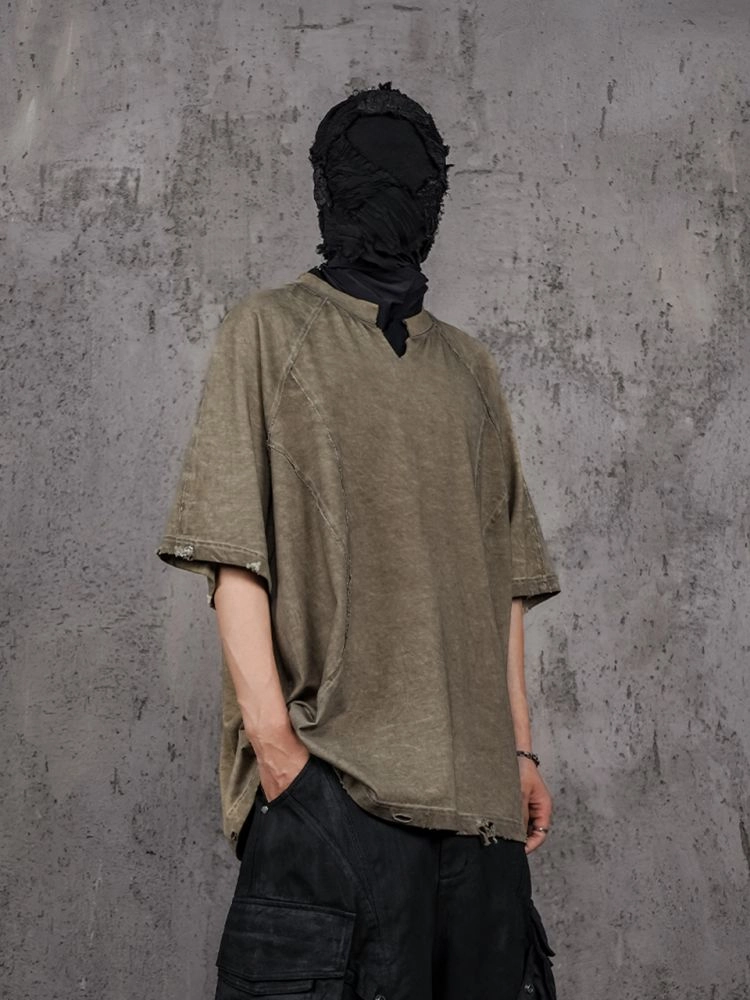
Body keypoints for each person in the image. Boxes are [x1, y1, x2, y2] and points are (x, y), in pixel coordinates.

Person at [156, 82, 561, 1000]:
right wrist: (280, 756)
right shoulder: (268, 332)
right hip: (337, 795)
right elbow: (232, 556)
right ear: (325, 189)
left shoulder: (470, 368)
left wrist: (519, 754)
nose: (396, 196)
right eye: (370, 174)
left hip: (481, 823)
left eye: (417, 181)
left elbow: (502, 580)